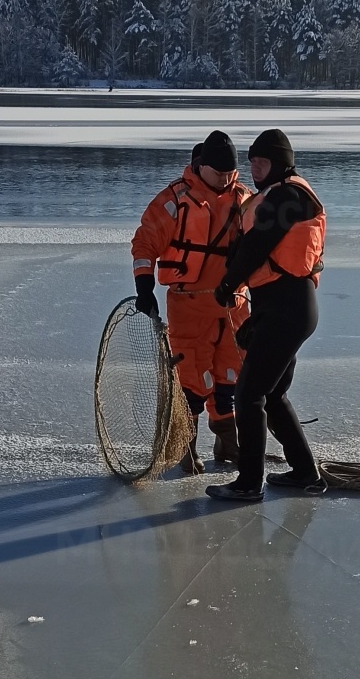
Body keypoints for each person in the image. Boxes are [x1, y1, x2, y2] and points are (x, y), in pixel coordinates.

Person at [206, 129, 326, 502]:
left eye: (263, 161)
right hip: (283, 307)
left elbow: (257, 245)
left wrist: (228, 285)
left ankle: (248, 483)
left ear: (280, 162)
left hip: (289, 308)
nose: (255, 167)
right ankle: (306, 472)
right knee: (272, 394)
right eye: (252, 161)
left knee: (249, 394)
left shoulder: (288, 196)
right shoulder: (275, 194)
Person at [131, 131, 251, 474]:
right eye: (219, 174)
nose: (226, 180)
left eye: (231, 174)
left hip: (234, 305)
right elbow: (145, 242)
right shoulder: (175, 200)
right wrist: (144, 286)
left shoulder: (244, 199)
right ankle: (186, 445)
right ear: (201, 168)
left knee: (230, 376)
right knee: (192, 380)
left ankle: (228, 441)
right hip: (189, 305)